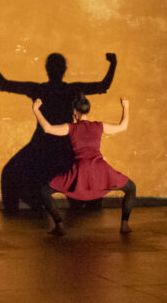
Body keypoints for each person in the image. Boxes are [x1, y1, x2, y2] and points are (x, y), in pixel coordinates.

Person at [0, 50, 117, 212]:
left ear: (48, 70)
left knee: (9, 173)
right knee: (78, 171)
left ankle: (22, 207)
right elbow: (104, 85)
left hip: (42, 145)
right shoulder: (71, 89)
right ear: (64, 70)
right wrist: (113, 64)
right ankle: (81, 202)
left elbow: (5, 84)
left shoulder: (39, 89)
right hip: (65, 146)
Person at [32, 94, 135, 236]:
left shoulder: (71, 128)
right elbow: (123, 126)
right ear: (87, 111)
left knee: (45, 191)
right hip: (100, 169)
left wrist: (35, 109)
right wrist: (126, 106)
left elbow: (48, 128)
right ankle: (124, 225)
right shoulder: (98, 126)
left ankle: (59, 226)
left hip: (80, 169)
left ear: (75, 112)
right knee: (131, 188)